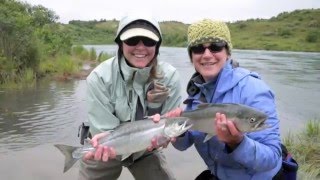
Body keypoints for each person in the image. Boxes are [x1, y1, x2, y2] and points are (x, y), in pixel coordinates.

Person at [157, 19, 283, 179]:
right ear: (191, 56)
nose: (207, 55)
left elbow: (271, 157)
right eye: (198, 49)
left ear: (228, 52)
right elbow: (184, 144)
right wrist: (178, 131)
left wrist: (237, 143)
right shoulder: (196, 93)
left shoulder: (253, 89)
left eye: (215, 46)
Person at [78, 12, 182, 180]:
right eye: (132, 40)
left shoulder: (170, 77)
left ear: (157, 45)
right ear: (120, 44)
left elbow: (170, 125)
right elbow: (105, 132)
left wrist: (167, 138)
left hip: (146, 148)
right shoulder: (99, 78)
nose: (140, 47)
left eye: (148, 41)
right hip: (106, 147)